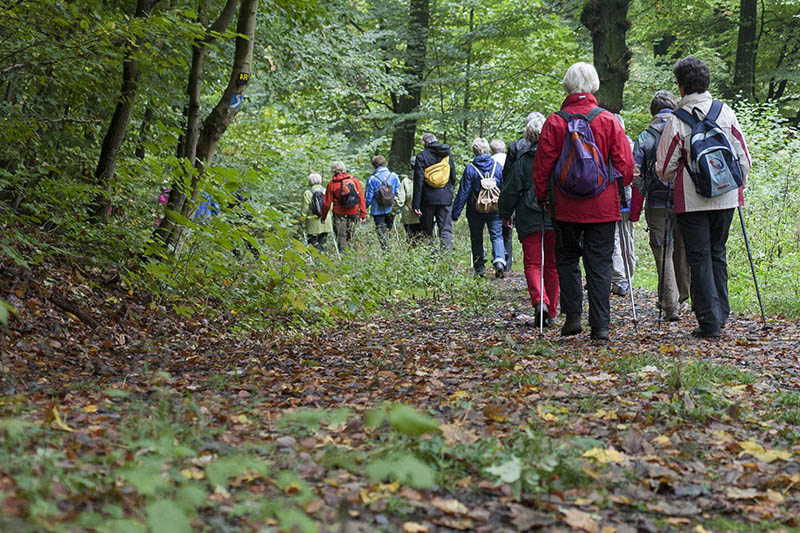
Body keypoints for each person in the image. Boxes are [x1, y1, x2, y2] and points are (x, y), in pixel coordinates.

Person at [533, 62, 634, 341]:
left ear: (567, 85)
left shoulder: (555, 121)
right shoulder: (608, 120)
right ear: (594, 85)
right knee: (600, 263)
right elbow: (625, 166)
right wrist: (615, 185)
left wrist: (542, 196)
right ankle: (600, 325)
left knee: (565, 258)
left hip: (564, 206)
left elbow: (542, 167)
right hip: (603, 206)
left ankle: (573, 317)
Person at [656, 56, 751, 338]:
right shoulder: (726, 113)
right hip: (727, 197)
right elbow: (743, 157)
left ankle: (709, 322)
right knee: (717, 252)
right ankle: (721, 314)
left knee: (698, 257)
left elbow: (663, 168)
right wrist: (737, 186)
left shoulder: (677, 119)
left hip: (692, 199)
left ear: (681, 87)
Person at [630, 90, 690, 322]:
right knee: (683, 248)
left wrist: (639, 201)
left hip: (656, 203)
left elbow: (636, 175)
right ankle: (683, 296)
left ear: (653, 112)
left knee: (663, 252)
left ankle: (670, 306)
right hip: (685, 199)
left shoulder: (645, 138)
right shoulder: (683, 129)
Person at [498, 113, 558, 325]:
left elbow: (510, 191)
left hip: (529, 217)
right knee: (552, 265)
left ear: (529, 137)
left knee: (533, 263)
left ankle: (539, 300)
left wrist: (505, 214)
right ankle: (551, 313)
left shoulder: (523, 161)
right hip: (554, 217)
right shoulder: (558, 158)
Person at [452, 137, 506, 277]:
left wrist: (455, 212)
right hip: (495, 207)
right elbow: (504, 188)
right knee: (497, 235)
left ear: (474, 151)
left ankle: (480, 268)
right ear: (487, 149)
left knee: (476, 238)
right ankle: (499, 261)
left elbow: (463, 192)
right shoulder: (497, 166)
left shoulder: (470, 168)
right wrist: (508, 209)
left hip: (475, 209)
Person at [501, 112, 539, 275]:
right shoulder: (558, 154)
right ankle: (550, 299)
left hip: (527, 208)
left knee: (532, 259)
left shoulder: (517, 149)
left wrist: (506, 212)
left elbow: (510, 181)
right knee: (551, 261)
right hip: (553, 211)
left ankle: (539, 297)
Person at [412, 133, 456, 250]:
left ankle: (430, 256)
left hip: (427, 199)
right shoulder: (446, 154)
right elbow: (453, 176)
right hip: (445, 198)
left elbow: (418, 181)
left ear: (424, 143)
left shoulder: (421, 156)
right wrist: (449, 191)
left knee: (427, 229)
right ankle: (446, 256)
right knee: (445, 228)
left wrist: (416, 204)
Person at [610, 113, 637, 297]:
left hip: (612, 198)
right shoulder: (632, 145)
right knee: (628, 237)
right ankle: (628, 276)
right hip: (629, 197)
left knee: (614, 238)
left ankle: (619, 279)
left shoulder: (607, 145)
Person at [320, 161, 367, 252]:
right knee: (351, 233)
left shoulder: (331, 184)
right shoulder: (354, 181)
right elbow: (361, 197)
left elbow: (326, 203)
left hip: (339, 213)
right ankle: (351, 253)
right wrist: (363, 214)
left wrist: (323, 217)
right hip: (353, 211)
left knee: (341, 235)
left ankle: (344, 255)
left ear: (333, 170)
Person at [364, 155, 400, 248]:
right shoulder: (394, 176)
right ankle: (391, 250)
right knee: (389, 229)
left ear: (374, 165)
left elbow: (369, 196)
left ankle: (385, 250)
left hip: (377, 210)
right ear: (384, 163)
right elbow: (397, 192)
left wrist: (364, 208)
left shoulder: (372, 179)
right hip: (391, 208)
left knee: (381, 232)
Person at [301, 173, 333, 252]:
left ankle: (317, 257)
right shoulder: (326, 191)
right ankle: (322, 256)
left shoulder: (307, 193)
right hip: (326, 220)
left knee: (312, 242)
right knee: (322, 241)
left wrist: (302, 219)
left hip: (312, 222)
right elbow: (331, 206)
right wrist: (329, 215)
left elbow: (305, 209)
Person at [395, 156, 422, 239]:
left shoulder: (405, 181)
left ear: (410, 166)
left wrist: (393, 212)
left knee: (411, 239)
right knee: (426, 239)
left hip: (409, 217)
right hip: (425, 215)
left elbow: (400, 200)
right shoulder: (427, 179)